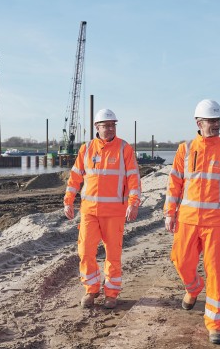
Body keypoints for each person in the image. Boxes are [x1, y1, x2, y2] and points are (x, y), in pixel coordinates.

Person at [163, 99, 220, 345]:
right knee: (180, 261)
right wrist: (170, 212)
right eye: (211, 121)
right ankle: (193, 288)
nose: (215, 125)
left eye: (217, 121)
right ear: (198, 123)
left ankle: (215, 324)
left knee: (217, 272)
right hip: (187, 220)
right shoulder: (185, 149)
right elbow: (175, 184)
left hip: (215, 222)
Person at [64, 108, 142, 309]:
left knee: (113, 255)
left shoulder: (124, 148)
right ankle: (91, 290)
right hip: (89, 211)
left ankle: (111, 293)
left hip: (114, 212)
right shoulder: (87, 149)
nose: (110, 128)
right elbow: (75, 177)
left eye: (112, 125)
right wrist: (68, 200)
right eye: (106, 125)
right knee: (85, 251)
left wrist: (133, 203)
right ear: (96, 127)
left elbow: (134, 178)